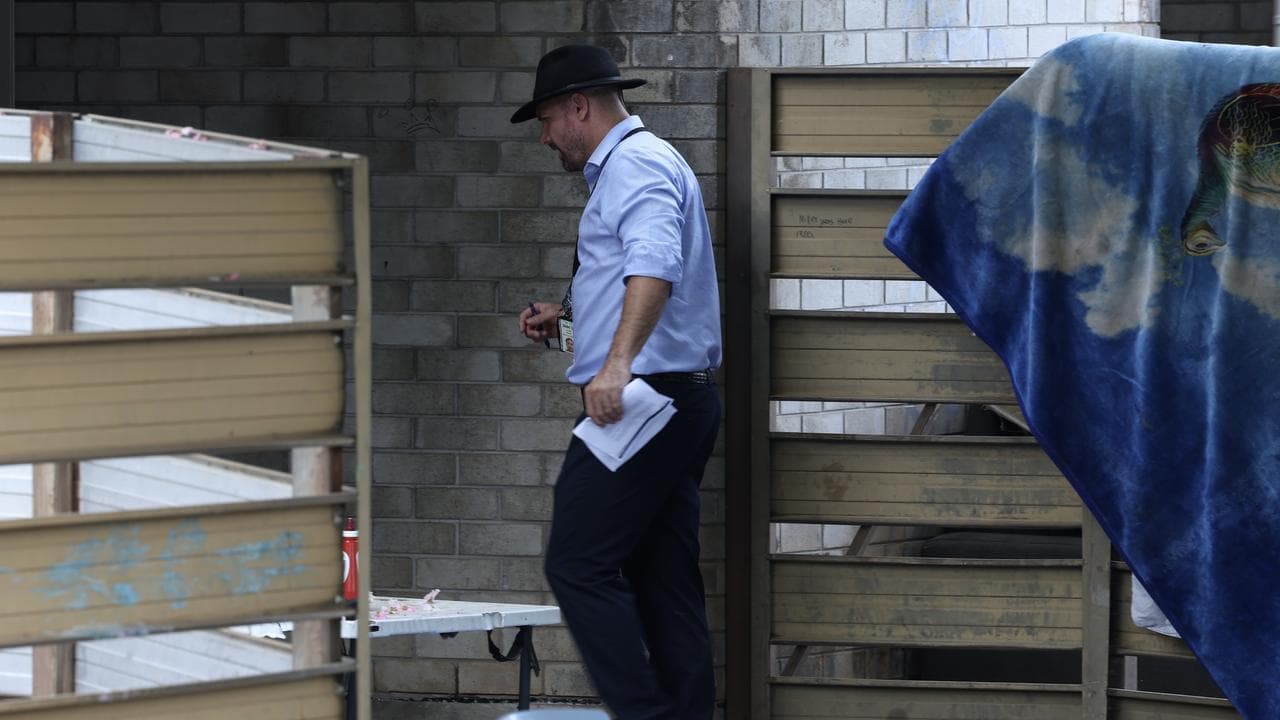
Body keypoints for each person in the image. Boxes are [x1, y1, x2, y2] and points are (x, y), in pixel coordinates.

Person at [512, 44, 722, 720]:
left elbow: (655, 266)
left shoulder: (635, 164)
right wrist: (571, 320)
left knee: (576, 563)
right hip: (672, 396)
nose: (545, 138)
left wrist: (615, 365)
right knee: (664, 580)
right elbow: (636, 276)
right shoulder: (631, 168)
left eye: (547, 121)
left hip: (646, 403)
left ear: (579, 106)